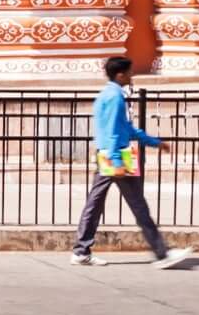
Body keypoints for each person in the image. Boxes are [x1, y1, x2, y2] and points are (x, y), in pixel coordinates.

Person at [73, 54, 192, 269]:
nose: (132, 75)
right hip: (116, 155)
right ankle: (162, 254)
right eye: (130, 72)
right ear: (120, 74)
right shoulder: (115, 97)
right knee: (138, 206)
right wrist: (117, 160)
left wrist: (154, 142)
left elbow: (125, 128)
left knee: (95, 202)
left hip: (107, 155)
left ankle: (81, 250)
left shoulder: (107, 94)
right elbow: (113, 131)